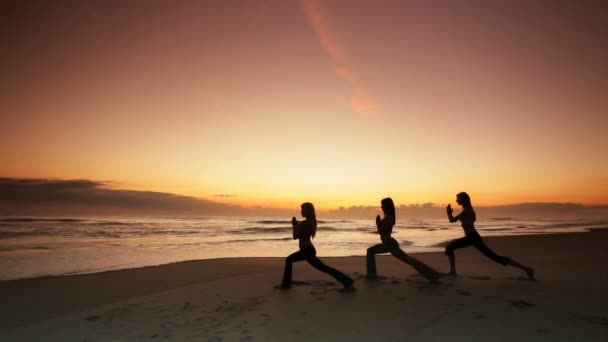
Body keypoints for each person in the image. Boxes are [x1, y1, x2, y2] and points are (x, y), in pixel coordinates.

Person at [445, 192, 535, 279]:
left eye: (458, 198)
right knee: (494, 257)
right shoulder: (467, 210)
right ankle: (526, 269)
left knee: (450, 247)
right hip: (473, 237)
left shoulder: (467, 211)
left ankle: (453, 272)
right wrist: (450, 214)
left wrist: (448, 213)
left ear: (464, 199)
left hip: (472, 237)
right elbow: (455, 220)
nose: (456, 200)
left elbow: (452, 220)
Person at [280, 202, 354, 289]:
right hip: (308, 250)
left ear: (307, 211)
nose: (301, 212)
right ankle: (346, 280)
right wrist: (296, 225)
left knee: (289, 260)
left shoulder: (306, 223)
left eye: (302, 210)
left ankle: (286, 284)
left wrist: (294, 225)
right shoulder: (310, 222)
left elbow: (295, 236)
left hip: (306, 250)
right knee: (324, 268)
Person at [366, 197, 440, 282]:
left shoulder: (390, 218)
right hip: (387, 243)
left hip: (390, 244)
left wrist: (378, 224)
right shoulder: (387, 217)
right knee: (370, 251)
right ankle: (371, 275)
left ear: (387, 206)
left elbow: (381, 231)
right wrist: (379, 223)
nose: (381, 207)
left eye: (382, 205)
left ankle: (432, 274)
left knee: (408, 260)